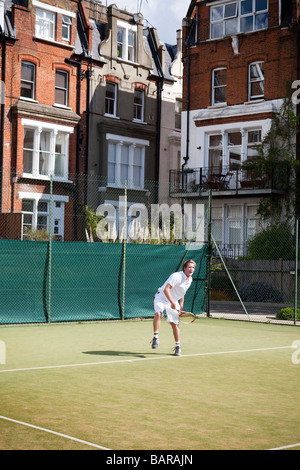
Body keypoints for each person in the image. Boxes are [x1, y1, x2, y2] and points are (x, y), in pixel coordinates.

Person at [152, 260, 196, 356]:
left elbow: (182, 291)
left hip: (173, 301)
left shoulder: (190, 280)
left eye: (193, 267)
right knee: (158, 313)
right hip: (161, 298)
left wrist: (181, 302)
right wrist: (172, 302)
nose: (191, 269)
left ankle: (177, 347)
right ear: (184, 268)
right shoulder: (176, 276)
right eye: (189, 267)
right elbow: (166, 289)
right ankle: (155, 337)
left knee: (174, 324)